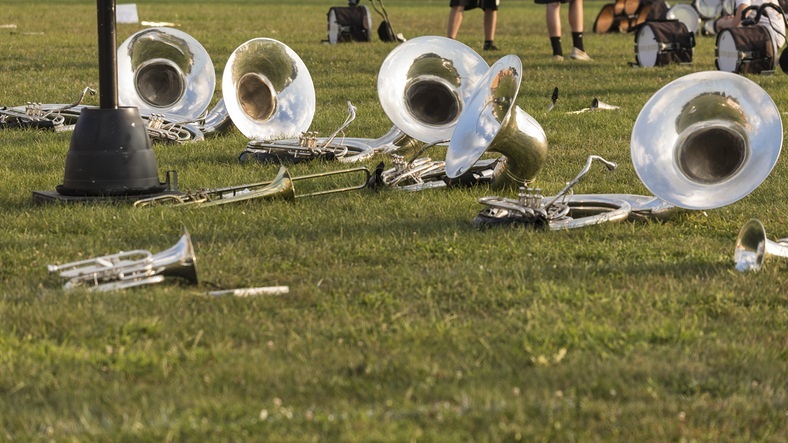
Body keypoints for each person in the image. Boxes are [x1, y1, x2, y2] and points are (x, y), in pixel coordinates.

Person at [715, 0, 786, 50]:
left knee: (723, 26)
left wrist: (721, 23)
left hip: (768, 36)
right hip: (777, 35)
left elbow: (743, 15)